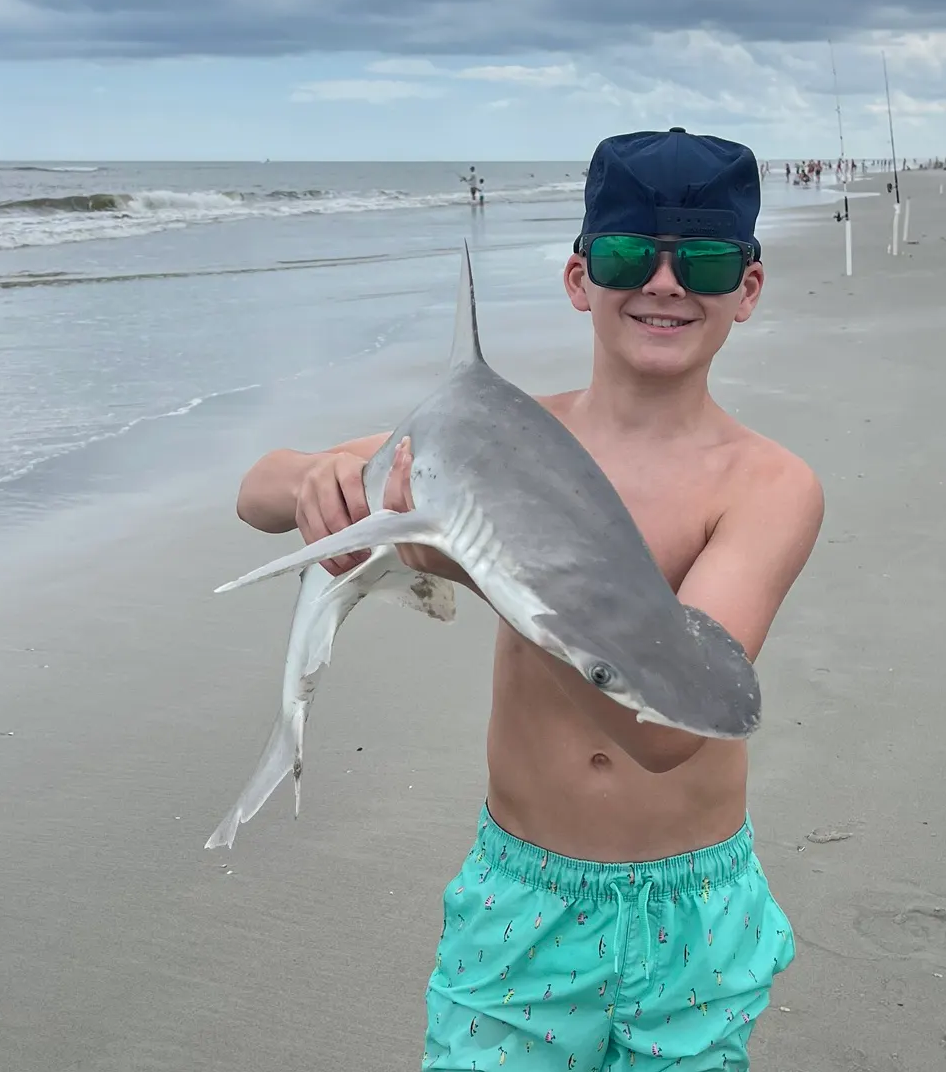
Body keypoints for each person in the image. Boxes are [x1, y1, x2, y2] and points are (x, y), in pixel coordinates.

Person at [236, 128, 825, 1069]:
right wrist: (320, 479)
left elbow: (669, 726)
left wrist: (476, 557)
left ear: (746, 289)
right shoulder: (497, 437)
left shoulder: (765, 486)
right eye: (631, 255)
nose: (665, 284)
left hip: (695, 913)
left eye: (704, 260)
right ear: (579, 277)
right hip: (523, 896)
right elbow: (255, 490)